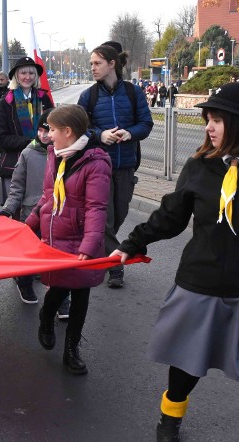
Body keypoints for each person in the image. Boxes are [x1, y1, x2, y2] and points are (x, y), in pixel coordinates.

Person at [110, 82, 239, 442]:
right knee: (187, 363)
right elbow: (171, 215)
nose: (209, 127)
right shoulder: (201, 166)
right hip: (201, 285)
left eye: (217, 120)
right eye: (207, 120)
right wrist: (132, 243)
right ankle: (170, 417)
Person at [26, 105, 111, 375]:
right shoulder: (55, 155)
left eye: (52, 129)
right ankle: (46, 317)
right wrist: (29, 225)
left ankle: (72, 349)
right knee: (58, 289)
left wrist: (89, 245)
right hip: (56, 236)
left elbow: (97, 208)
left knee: (81, 294)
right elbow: (48, 196)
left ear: (68, 131)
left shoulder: (96, 163)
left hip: (82, 239)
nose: (48, 135)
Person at [77, 41, 153, 289]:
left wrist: (130, 134)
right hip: (99, 167)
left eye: (97, 63)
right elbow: (80, 130)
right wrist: (100, 135)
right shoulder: (88, 96)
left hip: (127, 165)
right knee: (106, 220)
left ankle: (101, 248)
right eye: (91, 63)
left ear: (112, 64)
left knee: (118, 215)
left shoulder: (133, 93)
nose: (92, 68)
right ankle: (115, 267)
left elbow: (146, 123)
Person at [0, 110, 52, 305]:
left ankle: (61, 298)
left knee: (55, 254)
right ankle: (24, 282)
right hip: (32, 213)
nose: (44, 135)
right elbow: (17, 187)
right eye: (41, 130)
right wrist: (8, 208)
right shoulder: (28, 153)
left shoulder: (66, 154)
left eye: (49, 131)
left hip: (57, 216)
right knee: (31, 252)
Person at [0, 56, 53, 226]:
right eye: (23, 73)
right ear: (16, 76)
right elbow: (0, 139)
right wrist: (31, 142)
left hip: (43, 163)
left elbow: (54, 129)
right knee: (18, 215)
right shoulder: (5, 102)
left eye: (31, 73)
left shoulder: (44, 98)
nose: (27, 77)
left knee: (44, 212)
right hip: (14, 165)